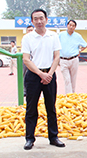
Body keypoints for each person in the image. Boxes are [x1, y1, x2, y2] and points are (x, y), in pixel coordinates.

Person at [23, 9, 65, 150]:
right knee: (31, 108)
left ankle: (53, 137)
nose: (39, 21)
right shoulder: (27, 38)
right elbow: (26, 60)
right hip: (34, 76)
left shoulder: (53, 36)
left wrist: (50, 74)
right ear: (32, 21)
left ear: (46, 19)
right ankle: (29, 138)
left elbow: (57, 56)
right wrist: (41, 74)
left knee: (51, 107)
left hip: (50, 75)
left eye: (41, 18)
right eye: (36, 19)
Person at [58, 20, 87, 94]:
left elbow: (85, 45)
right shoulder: (61, 35)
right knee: (67, 79)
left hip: (74, 59)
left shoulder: (77, 36)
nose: (71, 27)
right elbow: (56, 46)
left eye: (73, 25)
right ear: (67, 25)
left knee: (73, 79)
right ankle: (69, 95)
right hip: (63, 60)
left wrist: (79, 50)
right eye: (70, 25)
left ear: (75, 27)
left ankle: (73, 94)